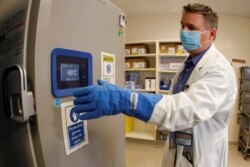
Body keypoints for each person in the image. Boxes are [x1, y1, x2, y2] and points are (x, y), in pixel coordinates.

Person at [71, 3, 237, 167]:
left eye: (191, 28)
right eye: (182, 26)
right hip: (178, 148)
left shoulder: (220, 71)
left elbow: (182, 110)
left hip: (203, 155)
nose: (184, 32)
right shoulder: (187, 65)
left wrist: (126, 100)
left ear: (212, 34)